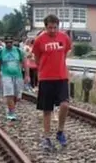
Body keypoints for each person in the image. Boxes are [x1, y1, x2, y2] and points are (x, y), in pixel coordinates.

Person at [31, 15, 73, 152]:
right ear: (45, 27)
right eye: (50, 28)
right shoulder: (39, 40)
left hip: (61, 77)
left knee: (65, 104)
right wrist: (44, 69)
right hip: (46, 78)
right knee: (47, 109)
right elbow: (37, 58)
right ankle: (47, 137)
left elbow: (66, 52)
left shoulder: (64, 37)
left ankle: (60, 131)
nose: (53, 30)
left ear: (58, 26)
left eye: (55, 27)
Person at [0, 37, 28, 120]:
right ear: (4, 43)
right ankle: (11, 113)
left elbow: (25, 63)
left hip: (18, 76)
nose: (9, 44)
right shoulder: (0, 52)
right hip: (6, 76)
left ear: (13, 42)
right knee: (9, 94)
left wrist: (27, 75)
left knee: (16, 96)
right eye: (7, 42)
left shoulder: (19, 51)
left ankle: (11, 109)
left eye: (10, 42)